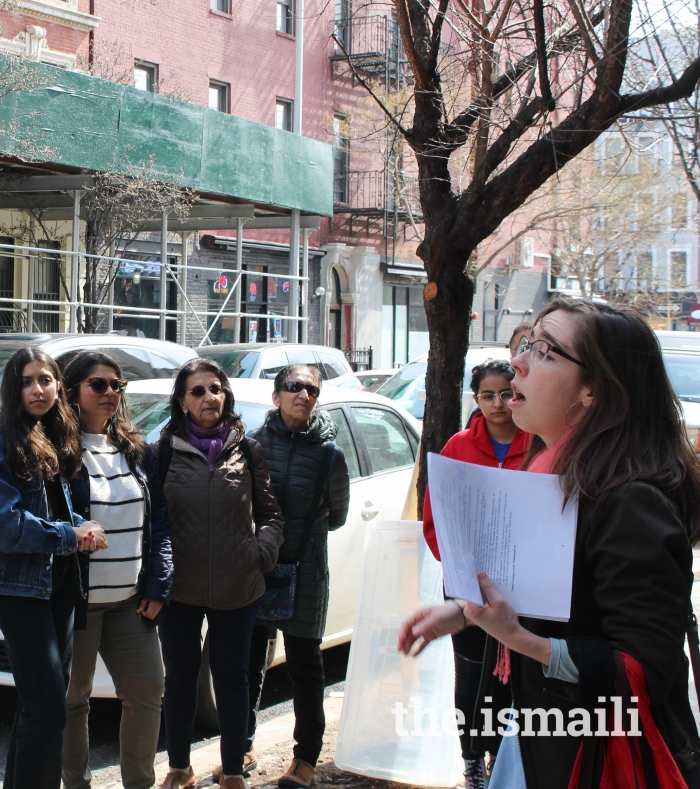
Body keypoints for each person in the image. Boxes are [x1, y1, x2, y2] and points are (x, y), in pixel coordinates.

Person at [400, 297, 700, 787]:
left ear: (593, 393)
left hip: (597, 757)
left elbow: (641, 670)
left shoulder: (630, 502)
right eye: (527, 345)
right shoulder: (551, 476)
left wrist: (519, 639)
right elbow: (548, 596)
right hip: (541, 737)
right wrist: (462, 613)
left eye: (545, 351)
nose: (517, 360)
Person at [0, 347, 108, 789]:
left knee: (40, 709)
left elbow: (54, 511)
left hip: (61, 586)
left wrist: (79, 525)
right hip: (20, 588)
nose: (38, 389)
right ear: (13, 388)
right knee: (47, 708)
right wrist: (71, 536)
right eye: (27, 381)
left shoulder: (54, 432)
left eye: (45, 379)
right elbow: (3, 527)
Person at [155, 359, 283, 789]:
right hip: (181, 589)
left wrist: (260, 552)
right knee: (180, 678)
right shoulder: (164, 451)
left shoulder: (247, 449)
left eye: (216, 389)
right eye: (198, 391)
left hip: (238, 585)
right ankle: (178, 767)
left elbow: (270, 514)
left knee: (231, 677)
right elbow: (154, 518)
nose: (210, 397)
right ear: (182, 401)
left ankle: (232, 771)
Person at [60, 353, 173, 789]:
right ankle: (76, 783)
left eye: (117, 386)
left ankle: (139, 784)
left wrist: (159, 583)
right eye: (99, 385)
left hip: (130, 601)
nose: (111, 393)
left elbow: (159, 523)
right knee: (73, 700)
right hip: (78, 601)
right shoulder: (58, 451)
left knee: (148, 691)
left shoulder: (138, 449)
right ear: (73, 393)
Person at [418, 358, 527, 788]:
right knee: (471, 674)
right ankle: (472, 760)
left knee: (514, 675)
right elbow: (435, 517)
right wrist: (458, 567)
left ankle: (506, 757)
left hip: (524, 587)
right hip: (468, 585)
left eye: (506, 394)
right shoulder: (458, 447)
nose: (498, 404)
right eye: (487, 395)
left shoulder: (539, 442)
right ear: (476, 399)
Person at [247, 364, 348, 789]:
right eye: (294, 387)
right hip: (258, 567)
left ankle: (305, 759)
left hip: (305, 572)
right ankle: (241, 746)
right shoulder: (252, 446)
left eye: (311, 389)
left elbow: (338, 514)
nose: (303, 394)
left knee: (306, 666)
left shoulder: (329, 454)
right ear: (277, 396)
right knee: (247, 662)